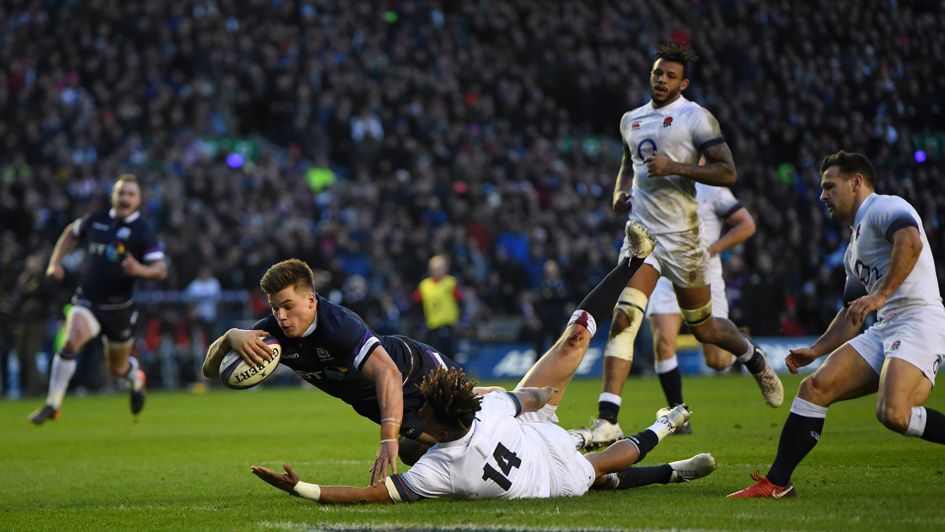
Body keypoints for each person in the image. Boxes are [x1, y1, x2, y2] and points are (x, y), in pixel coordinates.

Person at [250, 222, 717, 504]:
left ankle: (630, 262)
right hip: (543, 461)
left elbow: (373, 495)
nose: (421, 412)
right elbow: (529, 398)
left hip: (520, 428)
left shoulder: (451, 454)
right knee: (595, 475)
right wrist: (526, 405)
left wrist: (304, 488)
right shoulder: (456, 449)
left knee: (573, 341)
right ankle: (668, 460)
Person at [578, 41, 783, 449]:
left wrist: (676, 167)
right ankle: (608, 419)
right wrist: (619, 194)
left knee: (704, 328)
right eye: (657, 73)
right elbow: (626, 167)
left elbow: (728, 172)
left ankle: (753, 358)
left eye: (670, 75)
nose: (661, 80)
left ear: (683, 82)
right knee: (624, 319)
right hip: (642, 238)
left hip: (685, 239)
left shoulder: (696, 117)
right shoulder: (630, 120)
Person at [728, 150, 945, 498]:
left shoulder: (884, 207)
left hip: (918, 320)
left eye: (829, 186)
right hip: (886, 325)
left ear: (856, 182)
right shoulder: (853, 248)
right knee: (815, 387)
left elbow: (911, 241)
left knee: (893, 413)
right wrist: (816, 349)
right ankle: (777, 483)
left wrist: (880, 296)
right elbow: (850, 314)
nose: (822, 196)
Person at [202, 258, 463, 486]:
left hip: (416, 371)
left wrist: (386, 439)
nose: (280, 316)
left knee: (472, 425)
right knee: (414, 451)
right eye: (274, 307)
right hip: (378, 402)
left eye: (288, 306)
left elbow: (388, 372)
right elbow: (211, 371)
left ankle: (504, 397)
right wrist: (229, 337)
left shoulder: (338, 326)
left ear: (311, 299)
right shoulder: (272, 332)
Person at [29, 174, 167, 424]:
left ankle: (135, 377)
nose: (124, 198)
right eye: (121, 193)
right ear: (113, 196)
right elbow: (72, 232)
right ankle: (53, 404)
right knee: (70, 342)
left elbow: (160, 269)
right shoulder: (97, 220)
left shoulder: (143, 232)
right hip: (88, 301)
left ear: (138, 200)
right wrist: (55, 262)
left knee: (116, 369)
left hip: (119, 309)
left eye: (130, 194)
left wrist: (141, 270)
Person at [647, 183, 757, 433]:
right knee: (663, 342)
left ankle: (742, 343)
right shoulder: (657, 180)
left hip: (704, 276)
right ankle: (678, 417)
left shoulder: (713, 190)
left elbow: (747, 224)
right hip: (666, 272)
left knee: (718, 361)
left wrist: (711, 249)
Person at [413, 255, 463, 358]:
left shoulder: (450, 282)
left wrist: (460, 319)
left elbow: (460, 301)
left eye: (442, 267)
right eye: (437, 267)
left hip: (449, 325)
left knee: (451, 356)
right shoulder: (424, 285)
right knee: (436, 357)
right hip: (433, 327)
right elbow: (416, 303)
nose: (439, 270)